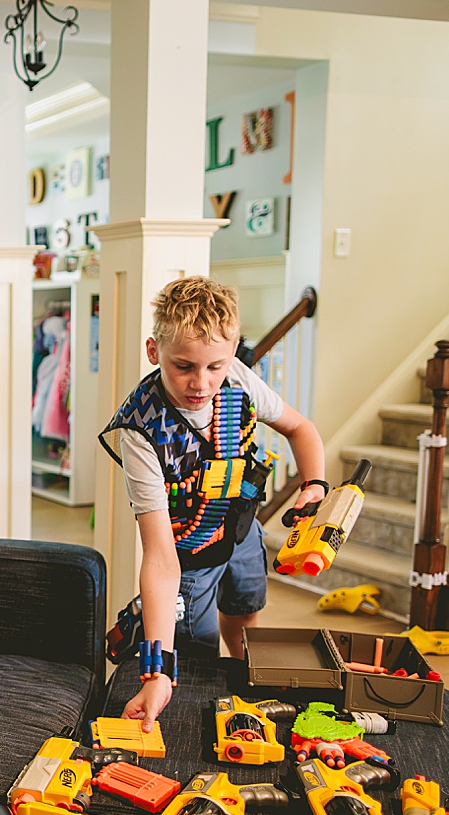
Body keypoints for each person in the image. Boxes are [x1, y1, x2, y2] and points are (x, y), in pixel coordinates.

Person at [98, 276, 325, 732]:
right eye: (183, 366)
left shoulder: (238, 377)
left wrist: (314, 484)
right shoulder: (140, 432)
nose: (201, 383)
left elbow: (301, 429)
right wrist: (157, 672)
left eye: (215, 367)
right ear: (152, 350)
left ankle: (245, 700)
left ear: (233, 351)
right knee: (194, 658)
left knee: (244, 613)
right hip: (188, 555)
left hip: (240, 530)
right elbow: (161, 560)